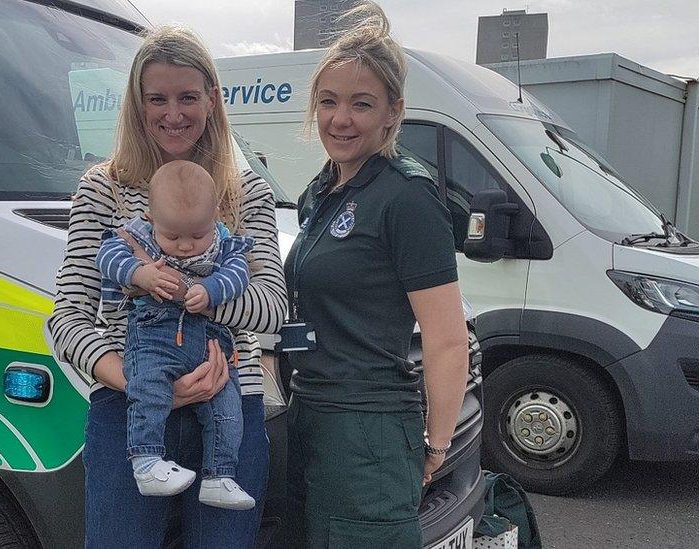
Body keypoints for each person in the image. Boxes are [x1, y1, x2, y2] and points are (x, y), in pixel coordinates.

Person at [47, 25, 287, 548]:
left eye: (187, 97)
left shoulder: (246, 193)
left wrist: (191, 293)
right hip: (127, 406)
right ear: (137, 103)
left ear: (212, 100)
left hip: (230, 406)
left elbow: (271, 309)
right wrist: (144, 387)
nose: (172, 114)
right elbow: (65, 319)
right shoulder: (103, 189)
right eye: (157, 98)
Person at [282, 3, 470, 548]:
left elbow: (445, 337)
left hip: (369, 432)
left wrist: (436, 444)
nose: (340, 119)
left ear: (393, 113)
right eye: (328, 102)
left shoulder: (405, 197)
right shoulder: (322, 192)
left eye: (361, 104)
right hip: (310, 417)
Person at [95, 160, 256, 510]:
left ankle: (220, 475)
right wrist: (140, 275)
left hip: (212, 346)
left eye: (198, 236)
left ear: (215, 215)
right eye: (173, 237)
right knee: (149, 390)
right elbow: (106, 256)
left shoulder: (225, 243)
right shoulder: (135, 235)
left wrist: (211, 290)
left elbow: (239, 273)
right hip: (155, 338)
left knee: (228, 409)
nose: (185, 246)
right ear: (151, 219)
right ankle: (147, 461)